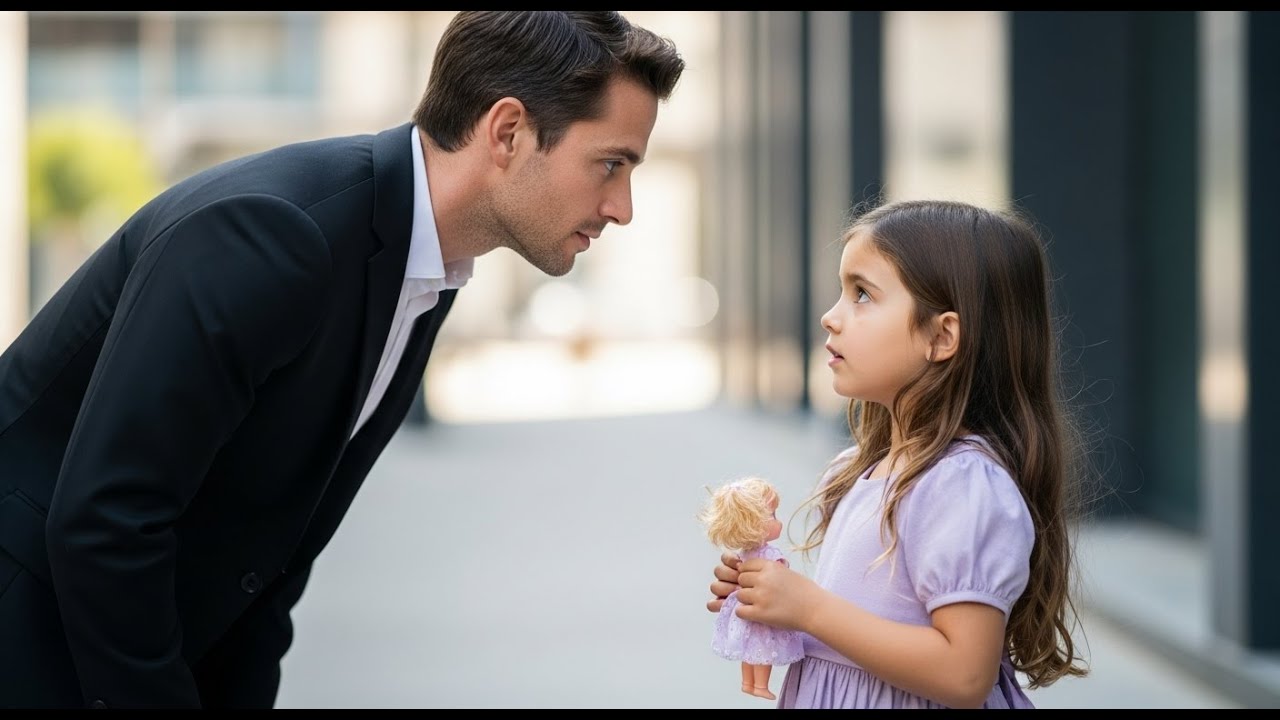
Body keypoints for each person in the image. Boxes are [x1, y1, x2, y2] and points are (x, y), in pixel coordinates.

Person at [0, 11, 684, 709]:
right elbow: (105, 519)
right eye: (610, 163)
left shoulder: (425, 267)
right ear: (507, 132)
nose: (621, 207)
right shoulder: (273, 235)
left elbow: (269, 560)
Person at [705, 199, 1091, 709]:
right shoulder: (860, 471)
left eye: (862, 294)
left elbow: (963, 674)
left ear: (941, 336)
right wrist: (772, 601)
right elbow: (862, 636)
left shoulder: (961, 484)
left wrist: (809, 610)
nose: (830, 316)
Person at [697, 476, 804, 701]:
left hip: (744, 608)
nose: (779, 522)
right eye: (772, 516)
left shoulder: (742, 555)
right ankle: (760, 685)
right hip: (763, 611)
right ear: (754, 523)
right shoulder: (771, 556)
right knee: (762, 650)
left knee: (748, 648)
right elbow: (781, 576)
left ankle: (748, 683)